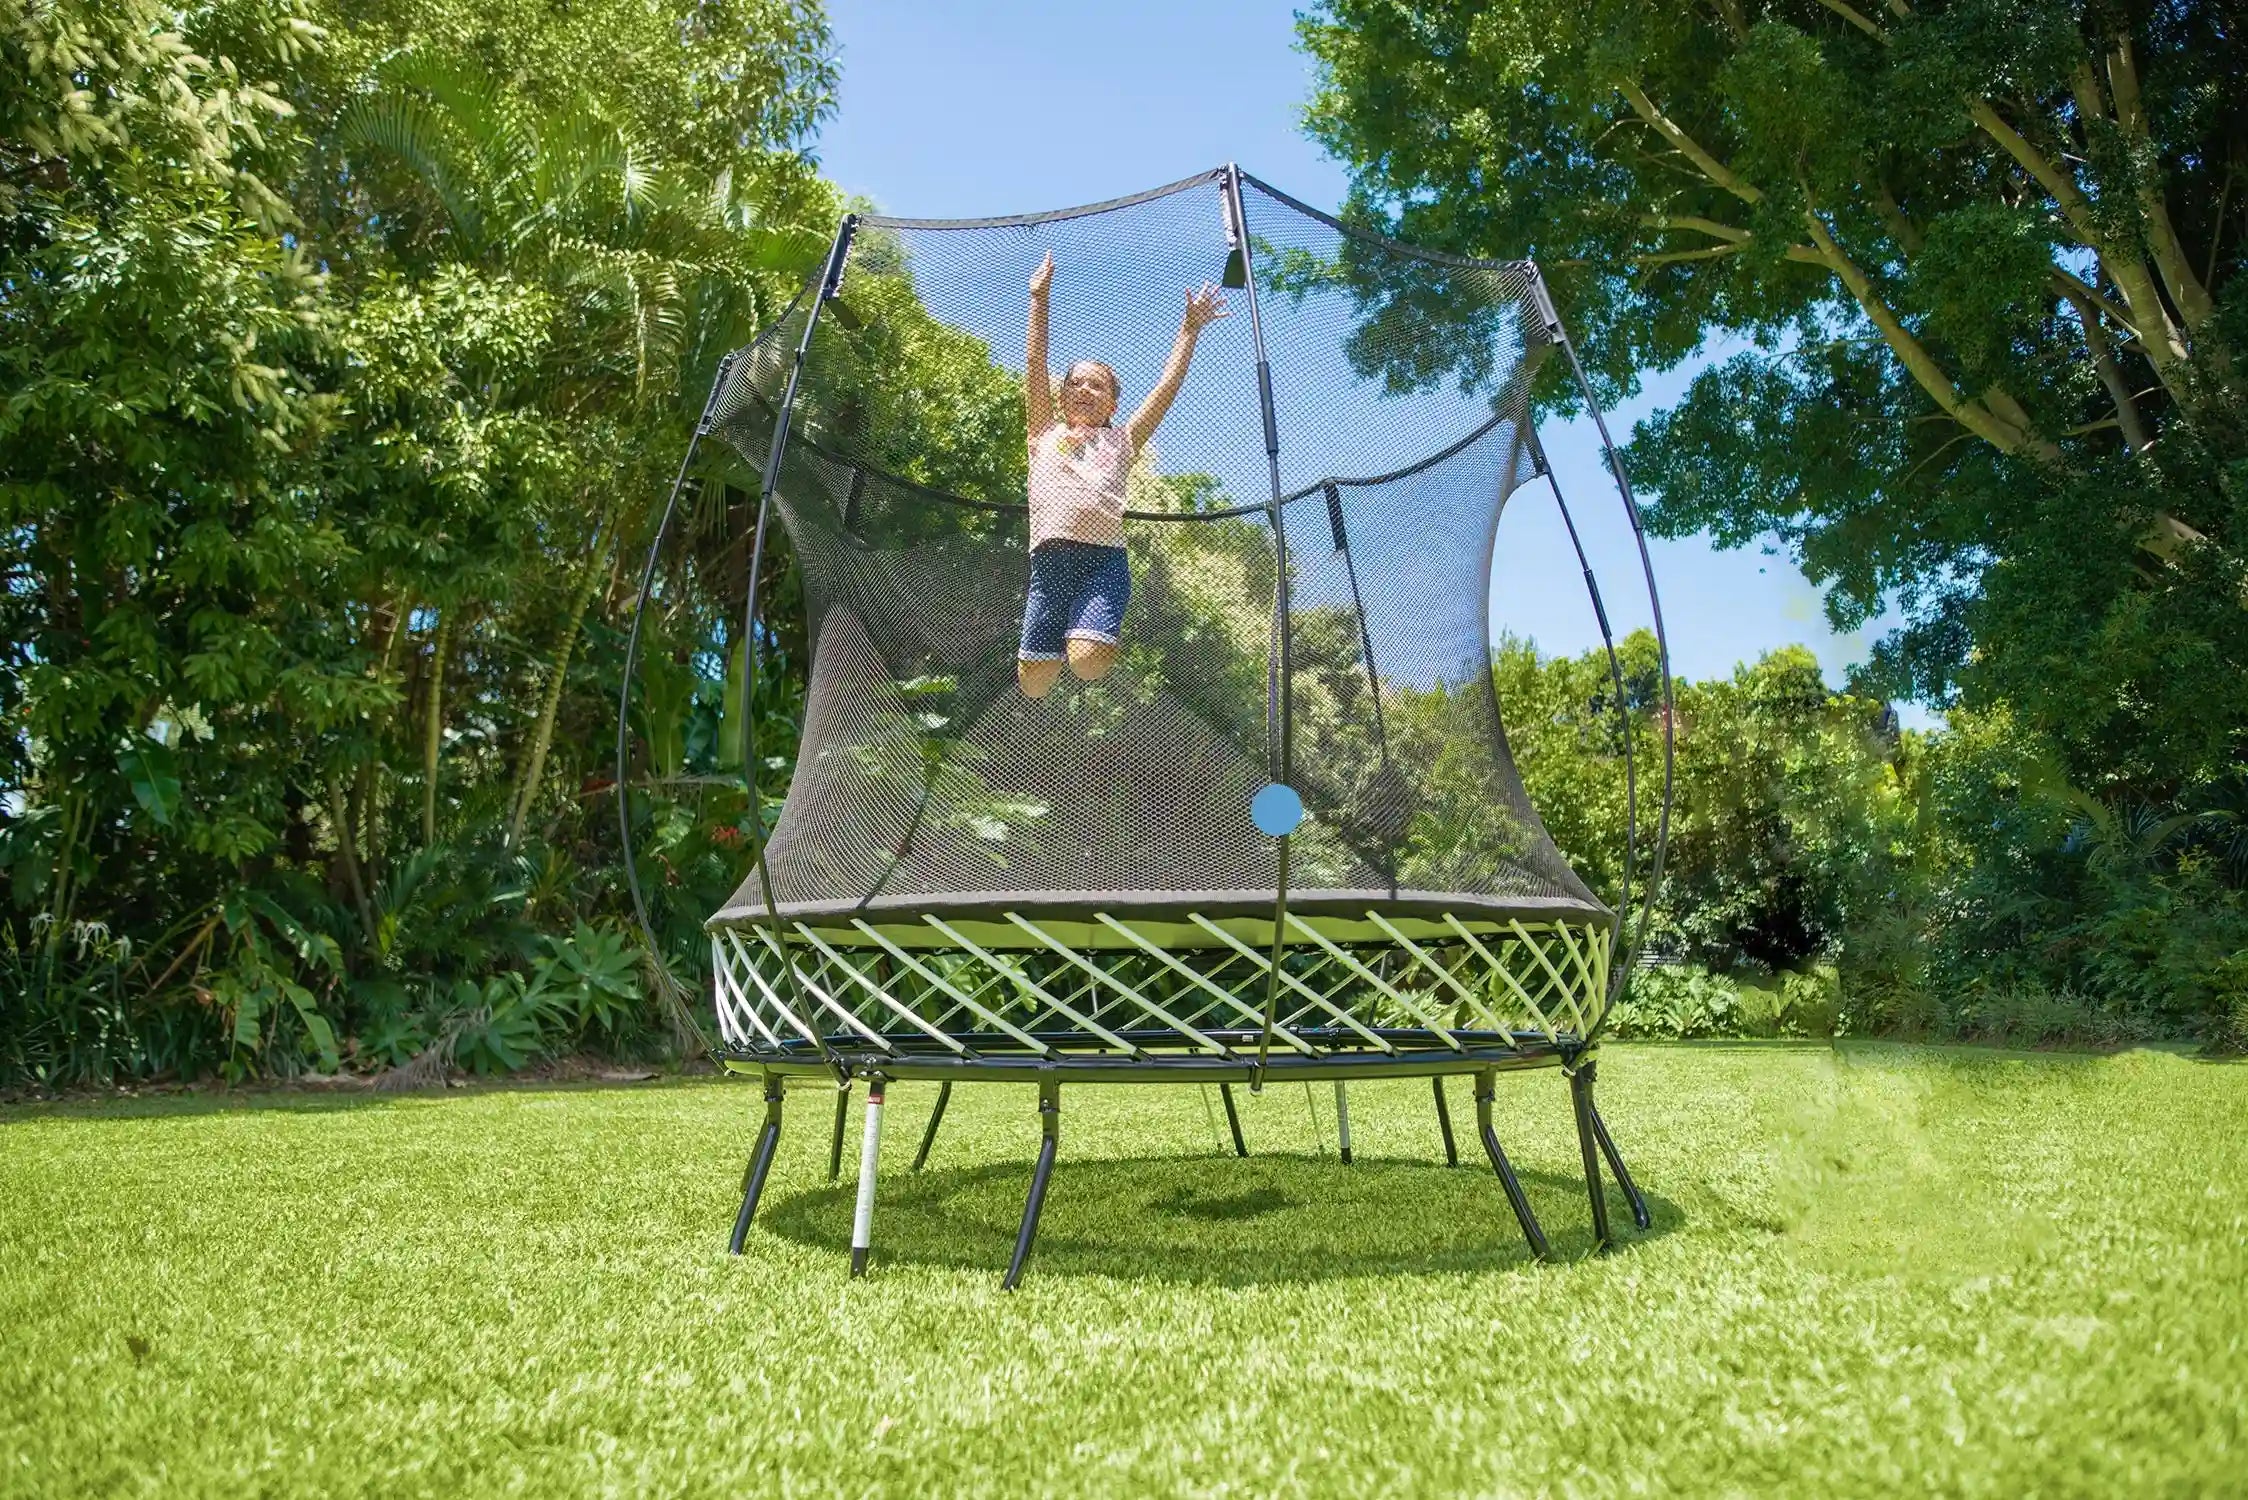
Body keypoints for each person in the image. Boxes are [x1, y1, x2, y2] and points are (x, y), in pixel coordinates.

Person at [1017, 250, 1228, 698]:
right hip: (1048, 563)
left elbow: (1165, 391)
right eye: (1076, 383)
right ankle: (1055, 631)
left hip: (1103, 562)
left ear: (1113, 404)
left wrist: (1188, 331)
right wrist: (1039, 300)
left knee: (1088, 666)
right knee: (1034, 686)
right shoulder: (1043, 433)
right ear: (1060, 396)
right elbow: (1035, 369)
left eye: (1098, 385)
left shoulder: (1123, 441)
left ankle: (1090, 630)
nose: (1085, 389)